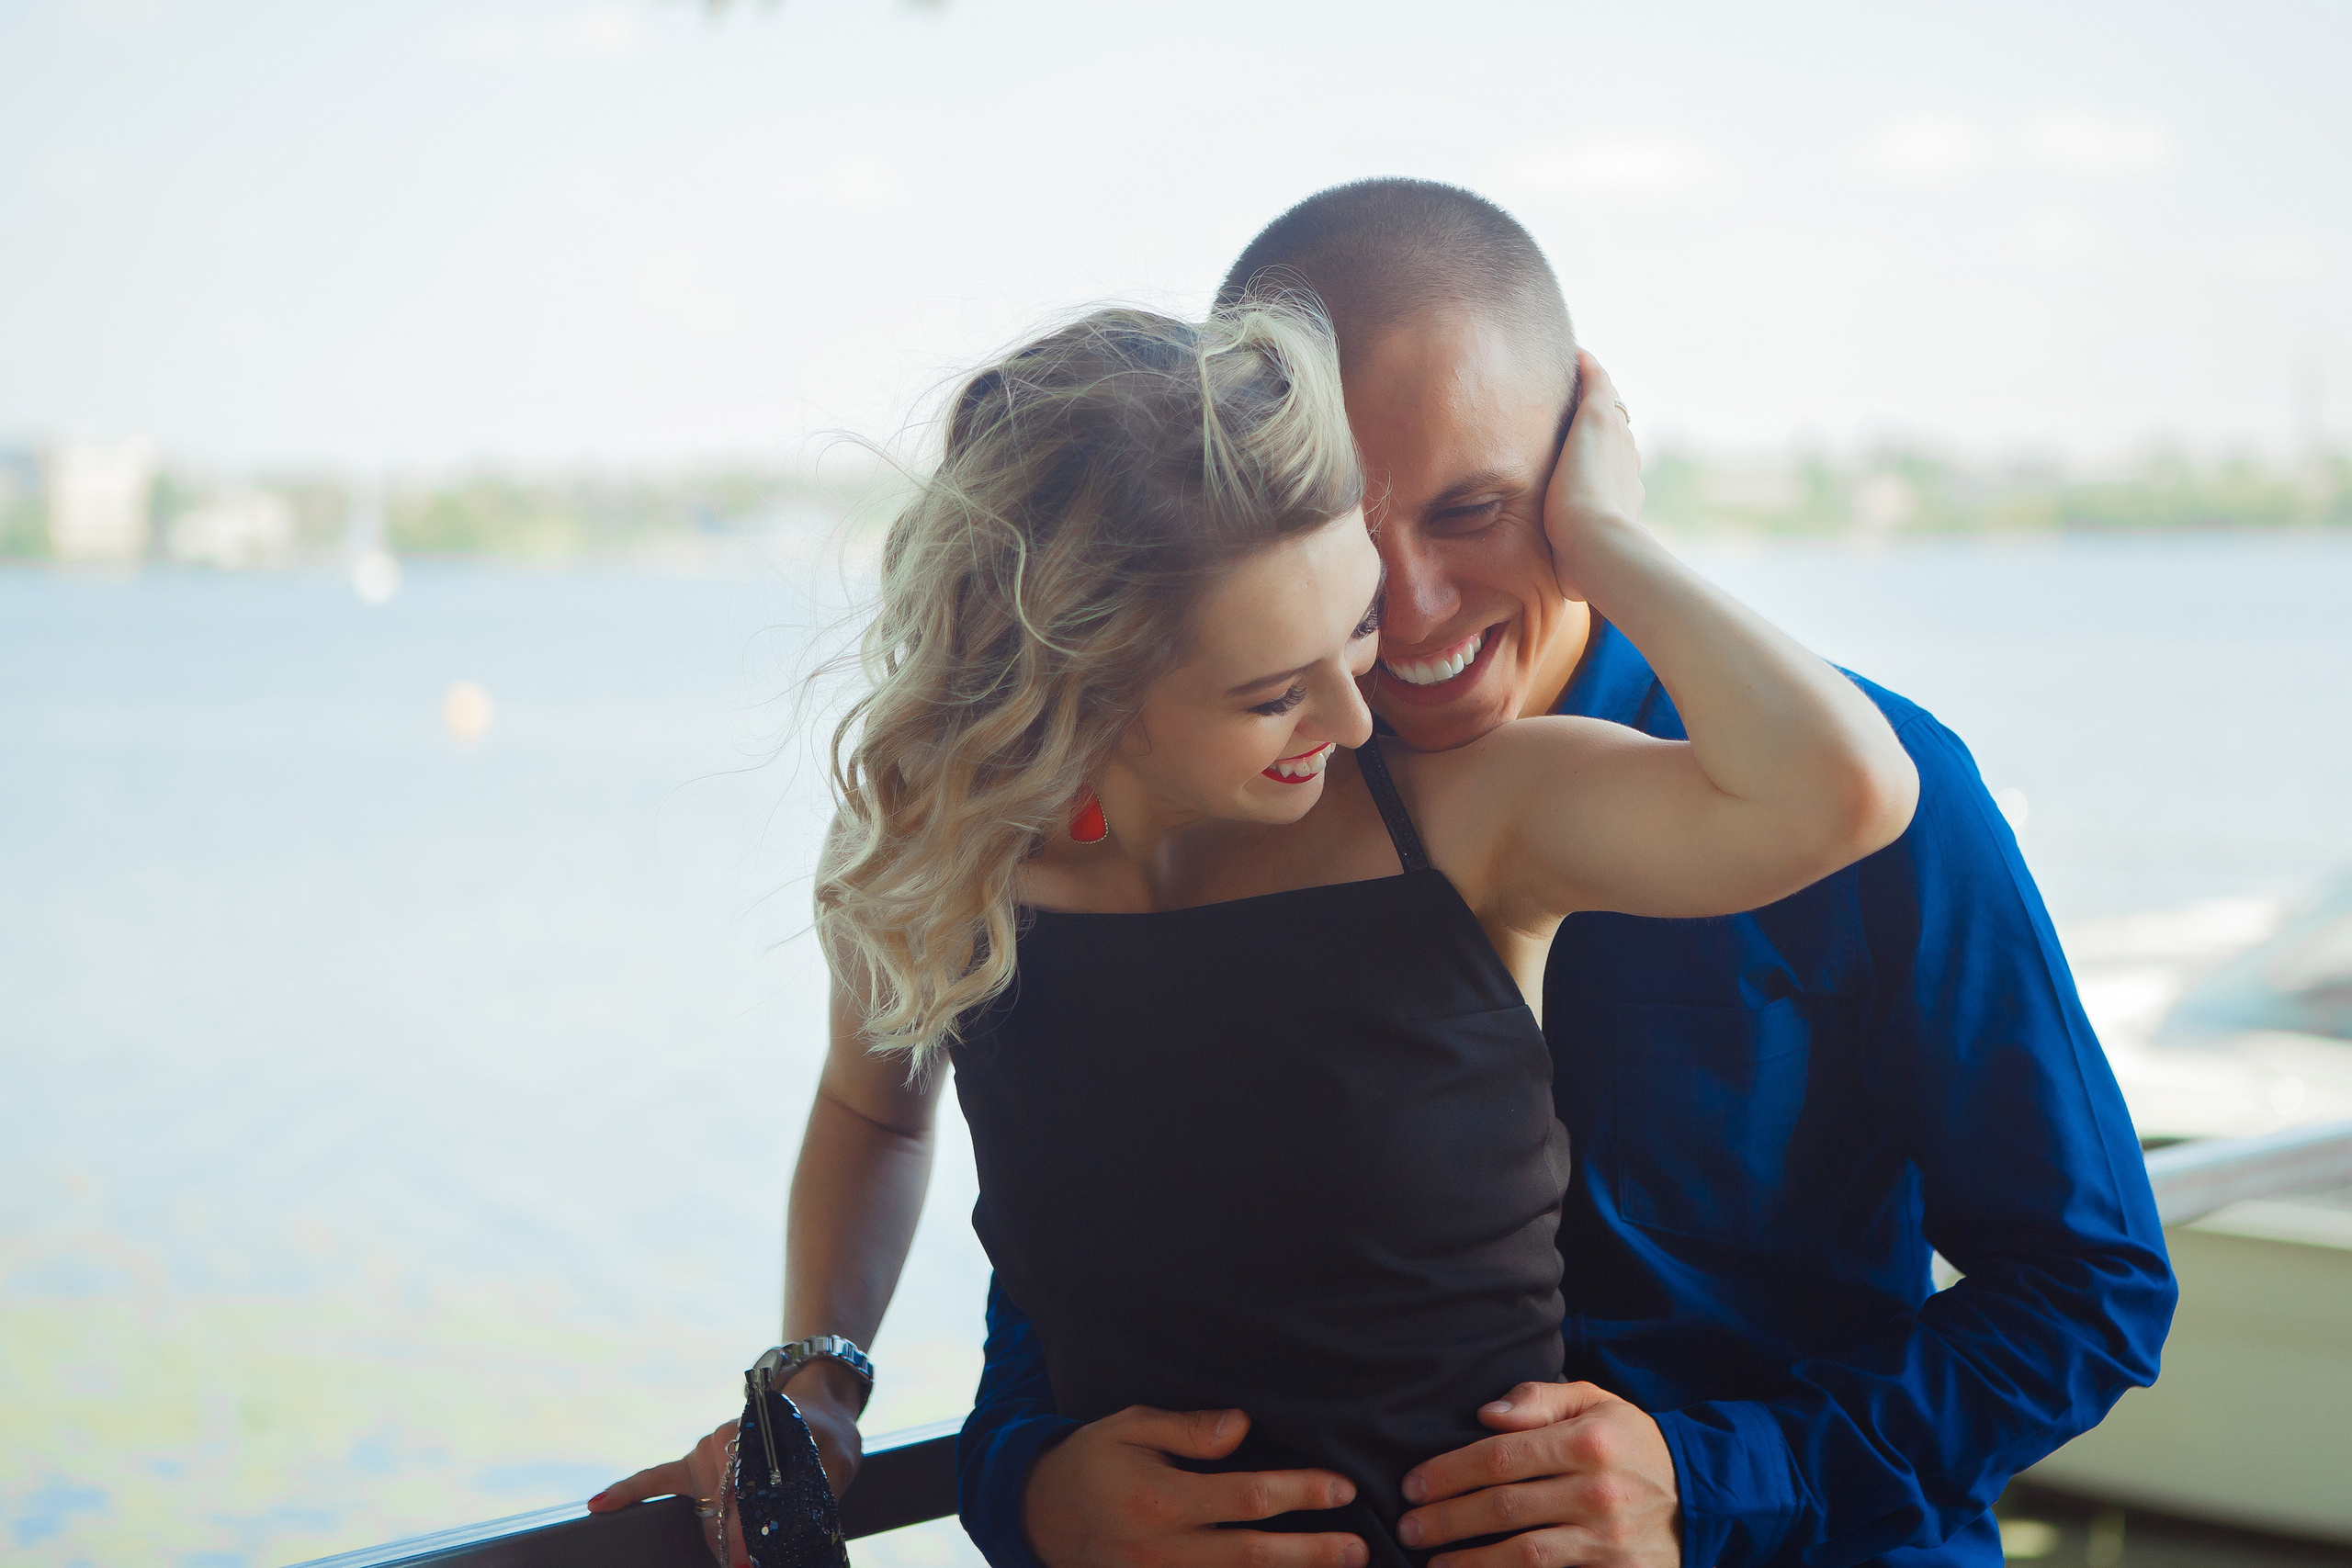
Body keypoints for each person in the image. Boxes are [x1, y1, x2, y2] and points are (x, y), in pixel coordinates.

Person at [955, 183, 2178, 1568]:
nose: (1406, 608)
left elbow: (2090, 1290)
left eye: (1478, 510)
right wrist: (1032, 1486)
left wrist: (1712, 1484)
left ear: (1581, 472)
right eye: (1351, 529)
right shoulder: (1216, 810)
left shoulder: (1860, 793)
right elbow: (1067, 1254)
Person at [592, 295, 1917, 1568]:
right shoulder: (942, 860)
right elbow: (875, 1112)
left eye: (1357, 632)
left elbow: (1845, 792)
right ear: (1082, 682)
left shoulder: (1466, 818)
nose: (1353, 721)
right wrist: (817, 1383)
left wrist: (1609, 539)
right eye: (1276, 694)